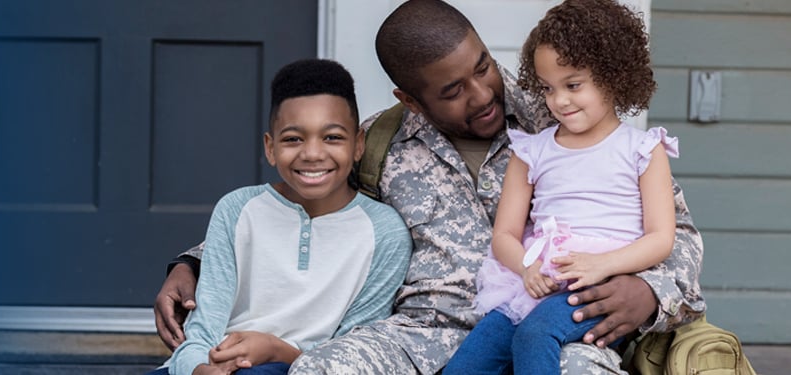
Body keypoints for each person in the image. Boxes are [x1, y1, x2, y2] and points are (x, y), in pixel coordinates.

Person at [153, 1, 706, 374]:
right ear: (410, 99)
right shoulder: (377, 142)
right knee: (323, 368)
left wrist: (651, 293)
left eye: (484, 66)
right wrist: (193, 263)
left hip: (557, 322)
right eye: (452, 90)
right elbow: (298, 201)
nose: (483, 94)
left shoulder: (563, 116)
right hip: (421, 337)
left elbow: (675, 234)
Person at [444, 1, 677, 374]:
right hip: (535, 284)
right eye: (548, 88)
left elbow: (661, 238)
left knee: (536, 336)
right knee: (468, 364)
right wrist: (528, 269)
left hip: (600, 288)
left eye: (572, 85)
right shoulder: (532, 151)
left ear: (613, 75)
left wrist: (604, 265)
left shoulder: (643, 150)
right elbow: (504, 233)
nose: (559, 100)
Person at [150, 59, 411, 375]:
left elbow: (358, 349)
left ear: (358, 145)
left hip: (302, 368)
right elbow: (202, 331)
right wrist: (197, 370)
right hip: (213, 364)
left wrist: (277, 350)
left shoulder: (385, 232)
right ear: (270, 147)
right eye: (293, 139)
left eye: (332, 137)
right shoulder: (237, 209)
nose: (312, 154)